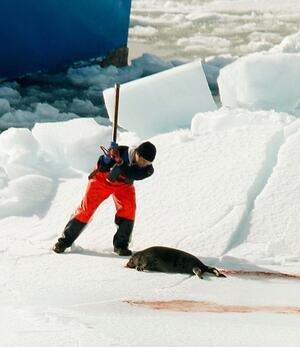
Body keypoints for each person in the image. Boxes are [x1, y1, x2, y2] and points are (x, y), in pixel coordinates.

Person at [52, 141, 156, 256]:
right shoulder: (120, 151)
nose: (143, 163)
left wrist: (120, 163)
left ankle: (121, 246)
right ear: (136, 152)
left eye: (147, 162)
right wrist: (107, 159)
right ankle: (64, 242)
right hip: (102, 180)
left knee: (129, 210)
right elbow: (102, 165)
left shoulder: (148, 170)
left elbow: (133, 174)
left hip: (124, 185)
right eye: (142, 159)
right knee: (86, 209)